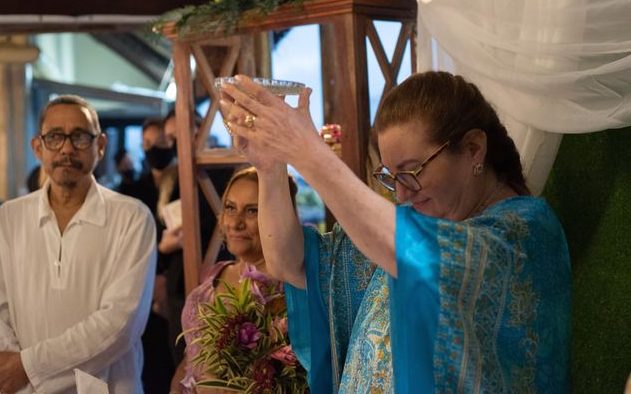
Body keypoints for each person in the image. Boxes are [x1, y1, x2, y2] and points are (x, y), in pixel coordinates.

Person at [219, 72, 572, 393]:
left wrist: (308, 154)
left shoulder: (523, 233)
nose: (402, 193)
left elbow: (429, 261)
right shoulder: (409, 224)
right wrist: (270, 168)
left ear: (473, 149)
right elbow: (290, 264)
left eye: (411, 171)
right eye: (391, 176)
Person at [0, 95, 156, 394]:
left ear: (100, 145)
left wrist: (29, 366)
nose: (67, 148)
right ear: (38, 147)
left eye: (79, 136)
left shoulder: (132, 218)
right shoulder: (6, 220)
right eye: (55, 137)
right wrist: (15, 369)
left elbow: (120, 326)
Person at [169, 167, 299, 394]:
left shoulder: (292, 291)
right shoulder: (215, 275)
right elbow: (189, 361)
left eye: (251, 211)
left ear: (280, 214)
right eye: (230, 208)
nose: (236, 222)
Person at [158, 109, 234, 365]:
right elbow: (165, 230)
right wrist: (166, 244)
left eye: (179, 133)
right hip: (180, 281)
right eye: (170, 138)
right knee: (183, 359)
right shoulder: (173, 177)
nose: (175, 142)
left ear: (201, 129)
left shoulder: (226, 166)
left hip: (219, 273)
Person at [120, 117, 177, 394]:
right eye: (148, 144)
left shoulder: (187, 186)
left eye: (162, 142)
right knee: (152, 359)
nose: (155, 148)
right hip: (143, 284)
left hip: (179, 282)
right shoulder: (131, 191)